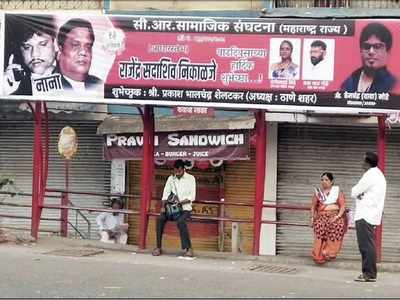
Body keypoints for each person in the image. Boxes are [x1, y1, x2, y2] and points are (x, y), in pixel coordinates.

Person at [351, 151, 386, 282]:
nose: (361, 163)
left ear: (367, 163)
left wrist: (359, 193)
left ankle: (368, 274)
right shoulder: (378, 175)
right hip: (371, 214)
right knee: (368, 244)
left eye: (363, 160)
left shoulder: (370, 175)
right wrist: (361, 193)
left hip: (365, 214)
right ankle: (370, 273)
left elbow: (354, 191)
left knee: (365, 245)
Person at [3, 14, 57, 96]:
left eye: (42, 44)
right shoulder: (14, 83)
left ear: (55, 44)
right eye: (27, 47)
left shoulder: (74, 75)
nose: (34, 54)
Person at [152, 159, 196, 257]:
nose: (177, 173)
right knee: (160, 219)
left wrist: (181, 202)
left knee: (181, 222)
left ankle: (188, 249)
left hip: (185, 209)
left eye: (179, 171)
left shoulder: (191, 178)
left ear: (183, 169)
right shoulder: (171, 179)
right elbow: (165, 194)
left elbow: (192, 196)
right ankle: (158, 247)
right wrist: (163, 207)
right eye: (175, 171)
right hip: (171, 209)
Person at [341, 22, 396, 93]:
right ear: (361, 50)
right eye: (366, 46)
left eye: (377, 46)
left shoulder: (393, 84)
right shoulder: (349, 82)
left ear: (388, 51)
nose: (371, 52)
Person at [56, 18, 103, 96]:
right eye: (75, 45)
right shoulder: (50, 85)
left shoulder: (99, 84)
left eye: (88, 46)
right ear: (60, 50)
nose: (83, 52)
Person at [310, 172, 347, 264]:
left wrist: (337, 216)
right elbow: (313, 206)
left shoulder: (337, 192)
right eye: (322, 180)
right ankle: (318, 254)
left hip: (334, 216)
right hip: (321, 216)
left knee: (336, 226)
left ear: (332, 181)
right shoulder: (318, 193)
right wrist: (312, 217)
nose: (324, 181)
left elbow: (342, 206)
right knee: (319, 227)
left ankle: (328, 252)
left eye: (326, 180)